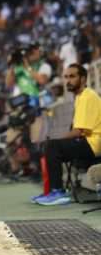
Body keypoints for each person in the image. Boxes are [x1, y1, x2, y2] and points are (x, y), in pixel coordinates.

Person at [34, 64, 101, 206]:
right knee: (50, 146)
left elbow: (79, 131)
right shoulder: (80, 97)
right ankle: (51, 191)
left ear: (83, 79)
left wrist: (56, 141)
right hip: (88, 142)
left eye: (72, 76)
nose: (67, 80)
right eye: (65, 77)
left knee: (52, 146)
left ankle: (57, 192)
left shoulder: (88, 96)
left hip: (94, 144)